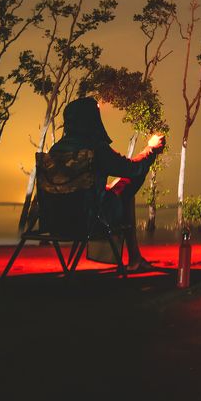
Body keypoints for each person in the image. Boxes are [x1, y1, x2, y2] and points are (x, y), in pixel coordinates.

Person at [48, 95, 165, 272]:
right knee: (128, 184)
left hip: (55, 221)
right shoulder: (96, 148)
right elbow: (134, 169)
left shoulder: (55, 150)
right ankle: (134, 257)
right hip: (90, 220)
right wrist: (151, 148)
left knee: (116, 188)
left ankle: (135, 257)